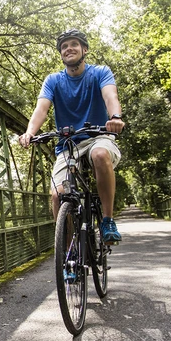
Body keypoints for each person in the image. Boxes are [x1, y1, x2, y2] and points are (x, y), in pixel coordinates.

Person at [18, 29, 125, 244]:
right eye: (64, 46)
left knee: (100, 155)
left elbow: (110, 95)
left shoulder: (100, 72)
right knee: (58, 196)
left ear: (84, 49)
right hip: (68, 145)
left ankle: (107, 220)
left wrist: (115, 117)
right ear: (61, 54)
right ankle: (68, 253)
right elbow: (41, 109)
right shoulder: (53, 80)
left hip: (98, 136)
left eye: (74, 44)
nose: (69, 49)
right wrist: (30, 132)